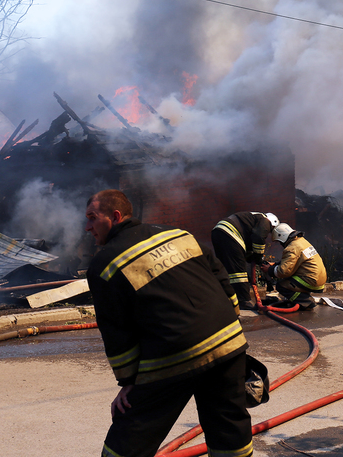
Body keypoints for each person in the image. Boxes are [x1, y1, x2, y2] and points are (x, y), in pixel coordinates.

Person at [84, 189, 253, 457]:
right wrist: (229, 319)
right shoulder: (178, 233)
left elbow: (116, 330)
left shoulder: (105, 265)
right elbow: (220, 274)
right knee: (229, 426)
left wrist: (129, 382)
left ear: (115, 216)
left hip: (175, 353)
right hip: (229, 343)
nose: (88, 227)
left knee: (131, 432)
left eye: (92, 218)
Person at [211, 211, 279, 310]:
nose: (268, 233)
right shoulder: (265, 221)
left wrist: (251, 256)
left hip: (218, 232)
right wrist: (258, 257)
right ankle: (243, 301)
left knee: (226, 268)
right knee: (239, 271)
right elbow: (258, 237)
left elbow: (247, 243)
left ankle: (225, 298)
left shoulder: (253, 219)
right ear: (273, 223)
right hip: (230, 234)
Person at [260, 223, 327, 310]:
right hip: (318, 278)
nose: (280, 244)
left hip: (311, 280)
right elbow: (294, 261)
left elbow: (283, 271)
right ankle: (300, 298)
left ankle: (306, 302)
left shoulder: (291, 248)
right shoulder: (301, 241)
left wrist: (269, 269)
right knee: (291, 281)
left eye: (279, 242)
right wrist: (275, 264)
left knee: (282, 286)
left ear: (282, 237)